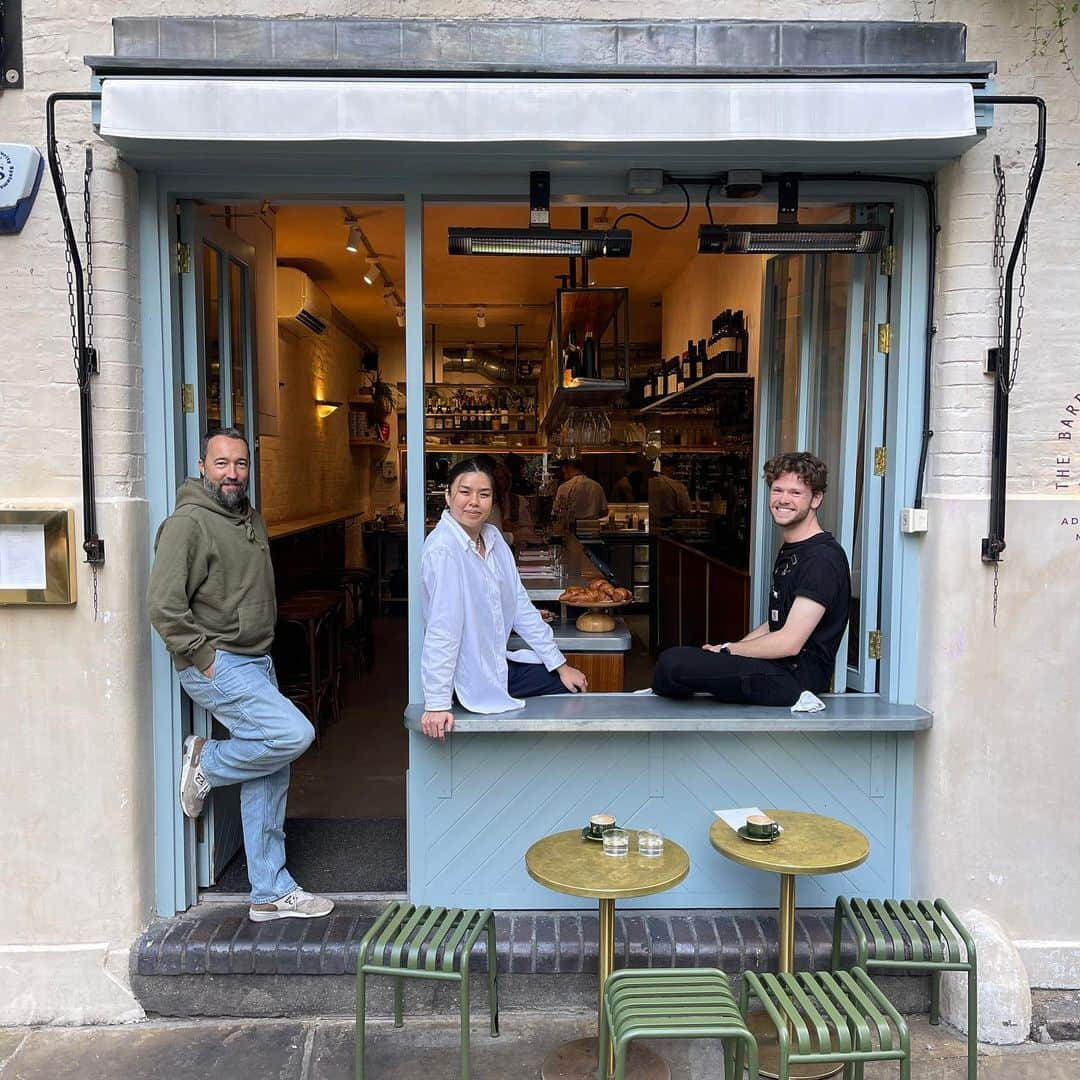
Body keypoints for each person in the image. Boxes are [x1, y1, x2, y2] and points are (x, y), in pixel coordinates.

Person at [147, 428, 333, 922]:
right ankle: (206, 762)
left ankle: (269, 892)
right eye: (222, 463)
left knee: (271, 773)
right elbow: (164, 607)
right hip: (217, 662)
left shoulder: (250, 517)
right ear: (203, 465)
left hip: (256, 660)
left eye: (242, 464)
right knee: (293, 734)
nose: (233, 473)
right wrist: (203, 657)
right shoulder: (186, 524)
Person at [652, 451, 851, 707]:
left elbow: (790, 642)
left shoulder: (822, 558)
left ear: (816, 499)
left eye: (795, 493)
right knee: (681, 662)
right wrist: (727, 649)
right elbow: (776, 623)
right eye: (777, 490)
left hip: (795, 680)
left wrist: (728, 651)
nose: (783, 500)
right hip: (775, 670)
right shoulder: (794, 549)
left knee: (672, 663)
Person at [420, 456, 589, 741]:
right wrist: (437, 703)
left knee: (573, 683)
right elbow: (442, 630)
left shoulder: (493, 539)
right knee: (565, 692)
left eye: (483, 494)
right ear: (448, 496)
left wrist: (560, 665)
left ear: (492, 501)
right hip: (467, 678)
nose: (474, 501)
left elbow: (520, 606)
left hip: (495, 664)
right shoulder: (443, 550)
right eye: (465, 492)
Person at [552, 457, 608, 530]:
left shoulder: (563, 487)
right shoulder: (596, 486)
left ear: (569, 468)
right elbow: (604, 512)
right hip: (593, 530)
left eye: (564, 471)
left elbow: (556, 511)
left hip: (571, 529)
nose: (563, 475)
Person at [648, 456, 692, 525]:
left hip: (649, 524)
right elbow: (686, 509)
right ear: (671, 469)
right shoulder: (677, 486)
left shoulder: (648, 483)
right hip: (669, 523)